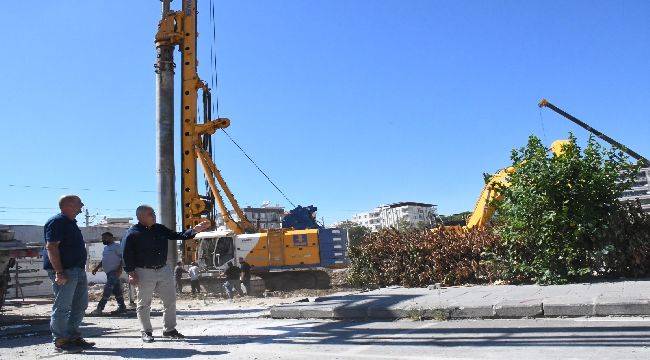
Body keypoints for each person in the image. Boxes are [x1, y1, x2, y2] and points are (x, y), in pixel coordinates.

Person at [122, 205, 210, 343]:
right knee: (144, 304)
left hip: (163, 270)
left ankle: (169, 330)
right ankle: (146, 331)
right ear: (141, 217)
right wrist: (131, 273)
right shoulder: (132, 233)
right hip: (144, 271)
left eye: (154, 213)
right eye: (151, 214)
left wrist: (195, 230)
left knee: (170, 301)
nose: (154, 215)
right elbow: (126, 255)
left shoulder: (159, 228)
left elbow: (177, 235)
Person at [43, 195, 93, 353]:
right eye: (79, 203)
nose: (82, 205)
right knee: (63, 307)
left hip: (77, 270)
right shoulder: (57, 222)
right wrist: (59, 272)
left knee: (80, 305)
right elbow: (51, 247)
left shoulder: (71, 223)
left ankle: (72, 336)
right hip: (65, 271)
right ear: (68, 205)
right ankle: (61, 340)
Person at [90, 232, 127, 315]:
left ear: (111, 238)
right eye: (103, 238)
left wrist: (119, 269)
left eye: (105, 238)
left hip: (115, 272)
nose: (103, 239)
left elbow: (123, 258)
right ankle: (122, 307)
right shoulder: (106, 248)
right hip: (109, 273)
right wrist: (96, 268)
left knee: (107, 289)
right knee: (117, 291)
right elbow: (104, 260)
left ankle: (99, 308)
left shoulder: (117, 247)